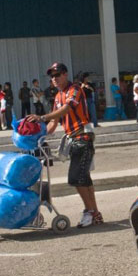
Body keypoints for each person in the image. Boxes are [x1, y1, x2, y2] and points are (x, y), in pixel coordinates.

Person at [26, 62, 103, 228]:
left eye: (58, 75)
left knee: (76, 177)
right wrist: (37, 134)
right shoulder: (58, 96)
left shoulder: (74, 90)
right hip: (73, 139)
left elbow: (66, 110)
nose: (54, 79)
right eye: (52, 76)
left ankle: (89, 212)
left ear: (65, 74)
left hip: (82, 136)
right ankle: (94, 213)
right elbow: (54, 122)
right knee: (84, 178)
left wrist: (41, 117)